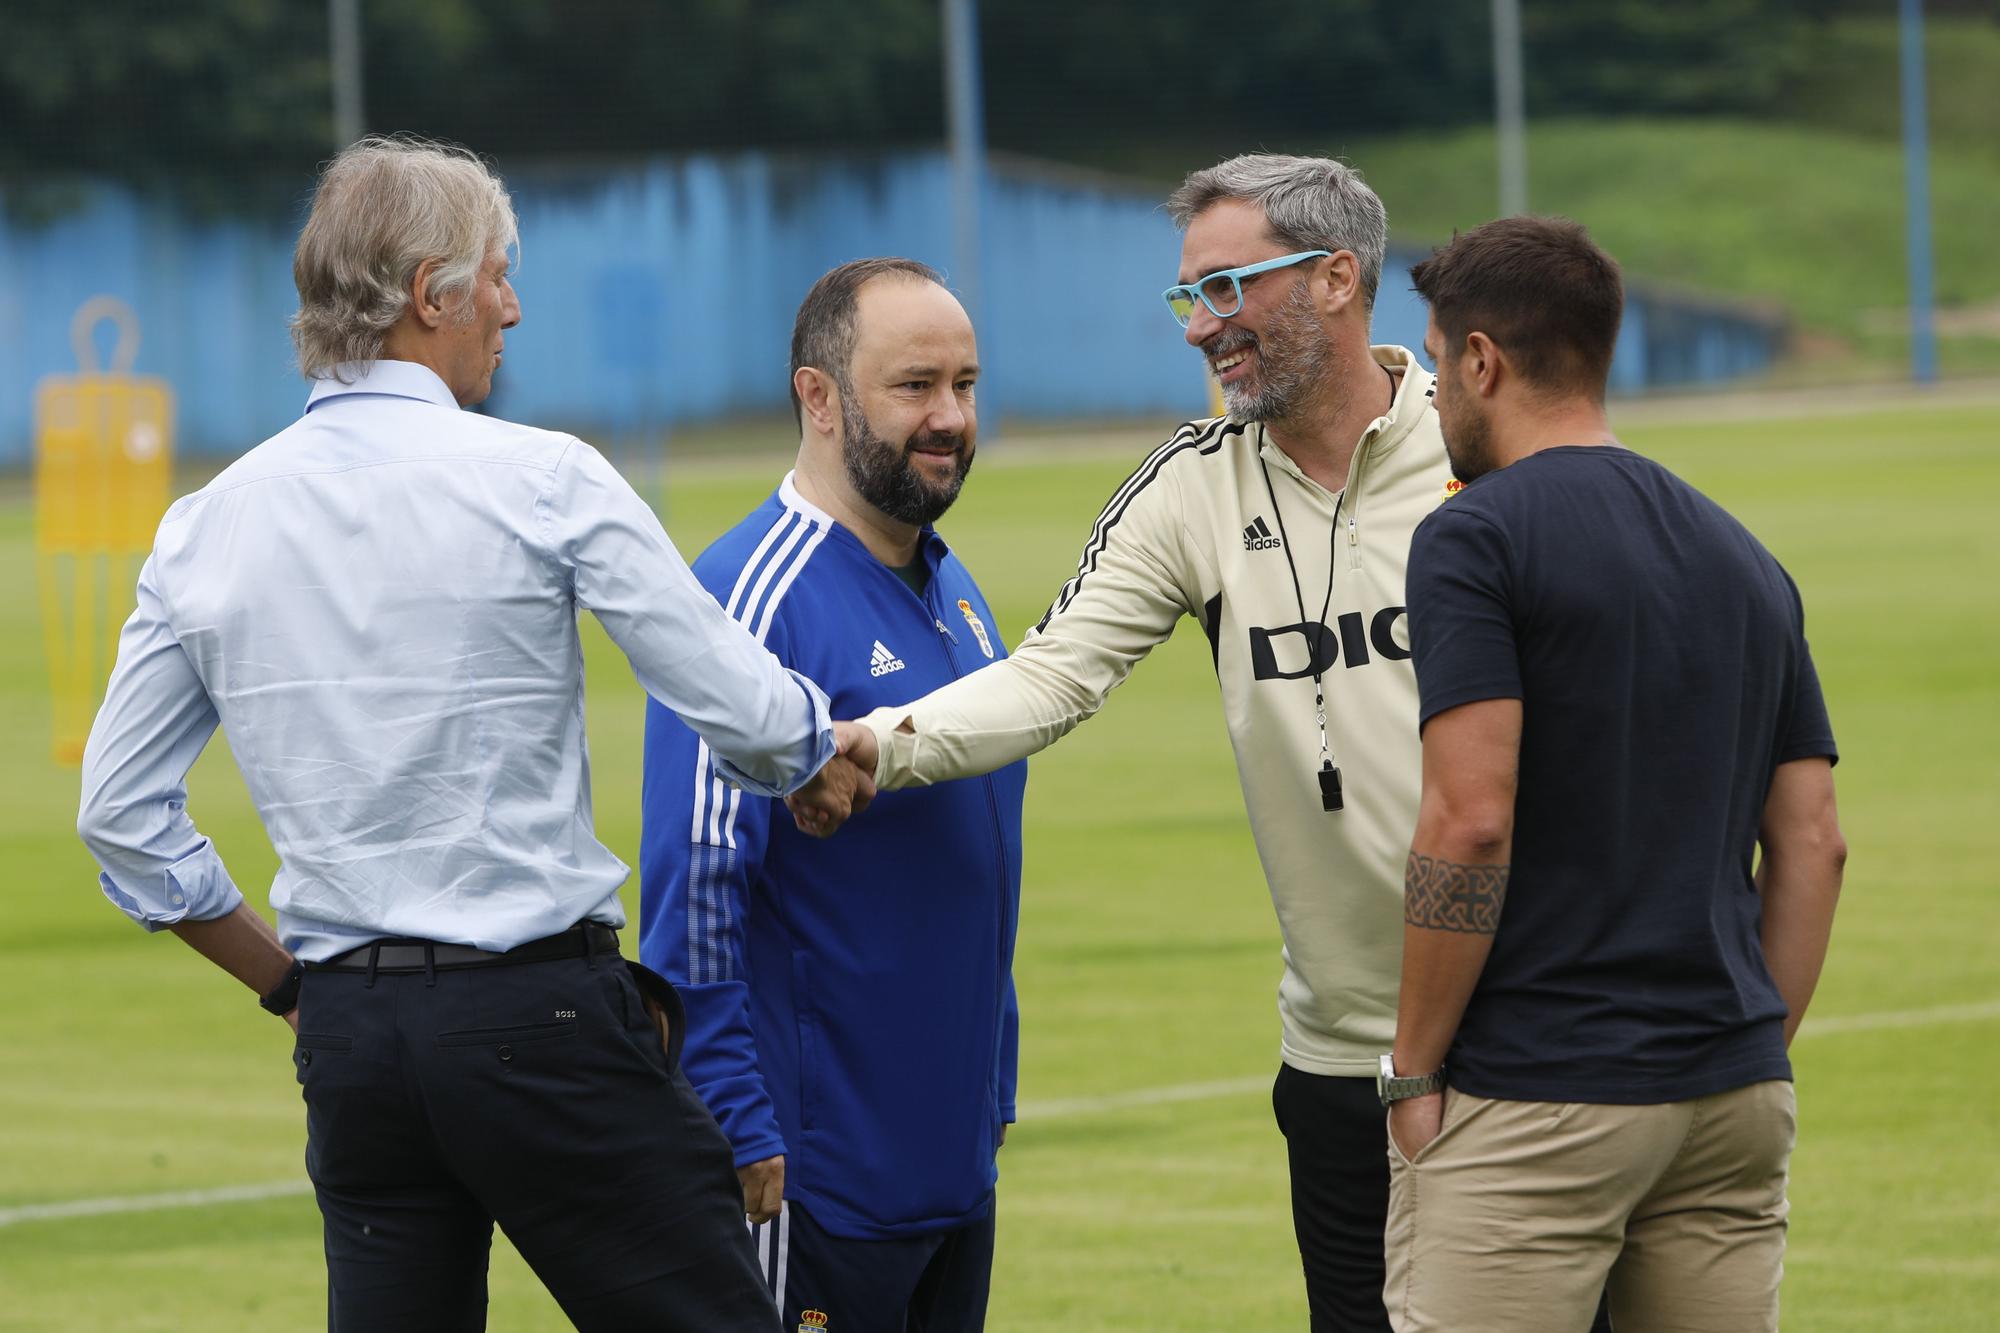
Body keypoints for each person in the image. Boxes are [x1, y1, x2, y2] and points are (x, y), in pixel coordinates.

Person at [75, 135, 872, 1333]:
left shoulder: (205, 524)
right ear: (427, 292)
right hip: (536, 1019)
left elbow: (118, 819)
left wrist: (294, 986)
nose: (512, 303)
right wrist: (823, 753)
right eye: (497, 271)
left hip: (353, 1048)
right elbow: (745, 712)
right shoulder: (540, 475)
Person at [799, 153, 1550, 1333]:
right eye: (1186, 297)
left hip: (1530, 1031)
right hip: (1335, 1058)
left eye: (1227, 288)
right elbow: (1051, 673)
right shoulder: (1189, 490)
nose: (1203, 328)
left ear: (1337, 278)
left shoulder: (1481, 448)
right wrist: (877, 744)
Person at [1382, 216, 1847, 1333]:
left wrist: (1409, 1070)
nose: (1435, 395)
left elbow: (1470, 818)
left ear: (1482, 360)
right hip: (1730, 1095)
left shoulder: (1472, 538)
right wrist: (1745, 1050)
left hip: (1543, 1091)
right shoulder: (1743, 555)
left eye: (1438, 365)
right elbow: (1812, 839)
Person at [640, 257, 1023, 1332]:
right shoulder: (747, 599)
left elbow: (972, 863)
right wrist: (735, 1121)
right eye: (914, 387)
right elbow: (693, 886)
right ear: (818, 397)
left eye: (965, 383)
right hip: (816, 1174)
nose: (949, 417)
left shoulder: (950, 580)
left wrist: (990, 1082)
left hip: (949, 1159)